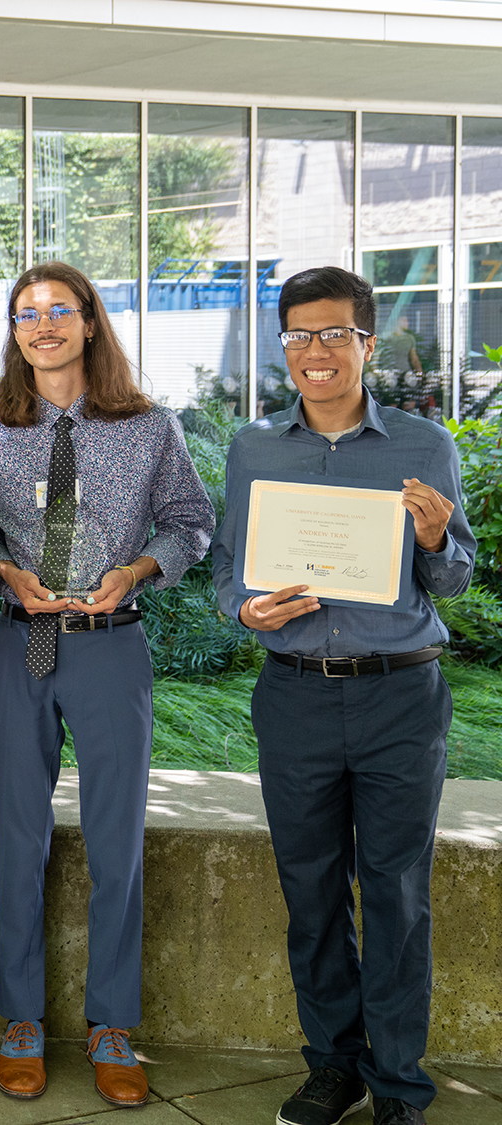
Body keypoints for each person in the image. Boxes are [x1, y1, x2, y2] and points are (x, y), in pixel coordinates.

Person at [212, 267, 472, 1125]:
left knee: (396, 893)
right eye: (297, 336)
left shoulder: (424, 446)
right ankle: (334, 1066)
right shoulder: (255, 448)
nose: (314, 353)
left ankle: (400, 1083)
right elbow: (226, 573)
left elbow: (455, 578)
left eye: (332, 335)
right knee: (311, 890)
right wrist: (245, 607)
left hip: (401, 696)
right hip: (294, 696)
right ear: (281, 345)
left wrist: (434, 537)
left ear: (368, 342)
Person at [0, 261, 213, 1108]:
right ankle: (21, 1017)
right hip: (22, 641)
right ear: (14, 330)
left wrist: (142, 566)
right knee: (18, 834)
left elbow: (190, 522)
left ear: (90, 322)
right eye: (26, 313)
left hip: (110, 644)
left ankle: (112, 1024)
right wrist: (1, 571)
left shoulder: (148, 427)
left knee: (116, 842)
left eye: (59, 309)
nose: (43, 324)